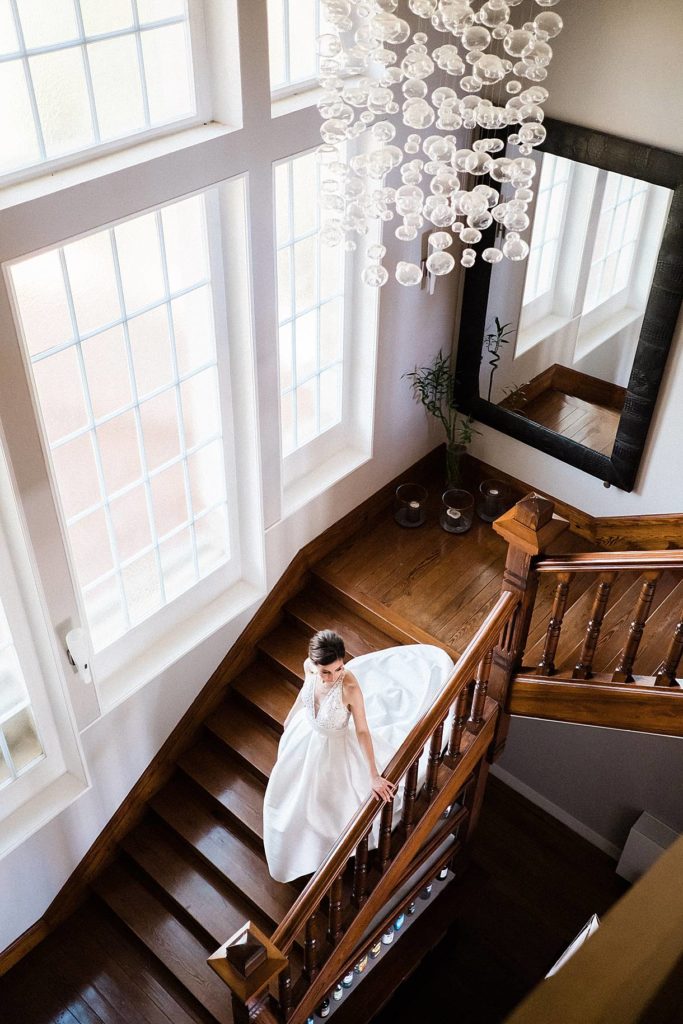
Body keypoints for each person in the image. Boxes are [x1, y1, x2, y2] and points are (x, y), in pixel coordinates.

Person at [262, 629, 454, 883]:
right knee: (293, 790)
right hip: (308, 736)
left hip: (336, 748)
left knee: (329, 802)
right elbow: (305, 689)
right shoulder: (310, 667)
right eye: (326, 672)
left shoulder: (349, 686)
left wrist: (374, 775)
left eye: (339, 668)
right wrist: (292, 717)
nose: (333, 677)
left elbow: (362, 730)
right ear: (315, 664)